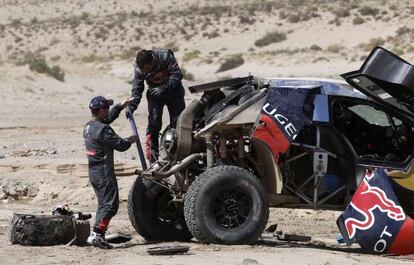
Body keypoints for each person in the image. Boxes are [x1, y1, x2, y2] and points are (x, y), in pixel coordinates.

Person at [83, 96, 137, 249]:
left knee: (103, 204)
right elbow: (120, 145)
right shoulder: (103, 129)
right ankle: (98, 234)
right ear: (100, 110)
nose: (108, 110)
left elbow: (107, 119)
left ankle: (96, 234)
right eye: (106, 108)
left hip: (94, 172)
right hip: (104, 173)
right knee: (110, 206)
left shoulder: (90, 126)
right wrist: (131, 139)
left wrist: (120, 106)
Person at [129, 48, 186, 163]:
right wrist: (132, 105)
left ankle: (178, 155)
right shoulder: (139, 68)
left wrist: (164, 88)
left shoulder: (165, 56)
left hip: (174, 92)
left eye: (147, 69)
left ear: (152, 62)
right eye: (143, 70)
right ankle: (153, 159)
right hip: (155, 94)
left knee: (178, 123)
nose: (145, 72)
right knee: (153, 125)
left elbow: (177, 75)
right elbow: (137, 88)